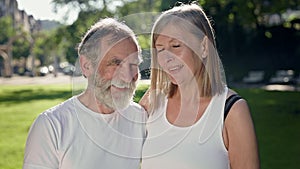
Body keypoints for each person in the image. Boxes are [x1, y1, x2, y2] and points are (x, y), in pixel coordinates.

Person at [140, 3, 260, 169]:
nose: (167, 57)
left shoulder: (231, 110)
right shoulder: (152, 102)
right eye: (160, 49)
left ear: (204, 47)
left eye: (176, 46)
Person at [23, 18, 147, 169]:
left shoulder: (140, 117)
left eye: (134, 64)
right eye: (116, 63)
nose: (128, 77)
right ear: (86, 65)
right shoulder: (52, 125)